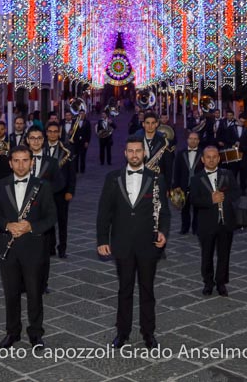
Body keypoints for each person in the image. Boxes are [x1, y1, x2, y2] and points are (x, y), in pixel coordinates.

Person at [97, 137, 170, 349]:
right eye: (131, 151)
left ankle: (148, 333)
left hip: (148, 244)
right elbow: (104, 213)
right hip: (122, 243)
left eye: (138, 151)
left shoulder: (157, 178)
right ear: (125, 153)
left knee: (147, 290)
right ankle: (123, 332)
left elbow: (163, 211)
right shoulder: (112, 178)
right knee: (124, 289)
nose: (135, 154)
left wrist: (163, 232)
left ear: (144, 154)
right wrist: (102, 239)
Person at [0, 146, 57, 349]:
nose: (21, 165)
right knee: (10, 294)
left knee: (34, 293)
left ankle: (36, 333)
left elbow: (51, 217)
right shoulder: (0, 185)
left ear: (31, 162)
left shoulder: (42, 186)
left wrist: (31, 226)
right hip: (8, 249)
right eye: (16, 161)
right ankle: (12, 332)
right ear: (10, 163)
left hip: (33, 248)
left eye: (25, 160)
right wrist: (7, 225)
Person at [190, 146, 241, 296]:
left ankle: (221, 282)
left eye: (214, 157)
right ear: (203, 159)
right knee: (206, 254)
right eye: (208, 157)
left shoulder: (228, 174)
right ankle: (208, 282)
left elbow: (237, 192)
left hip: (226, 222)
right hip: (206, 223)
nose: (211, 160)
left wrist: (224, 198)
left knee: (224, 254)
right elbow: (194, 200)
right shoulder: (196, 179)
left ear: (219, 158)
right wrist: (210, 199)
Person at [25, 127, 64, 292]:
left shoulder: (52, 162)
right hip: (23, 211)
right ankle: (24, 282)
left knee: (43, 252)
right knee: (23, 250)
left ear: (43, 140)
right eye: (32, 138)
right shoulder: (19, 159)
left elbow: (60, 183)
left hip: (43, 212)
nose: (35, 141)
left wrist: (44, 191)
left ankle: (43, 284)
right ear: (27, 140)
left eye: (38, 138)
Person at [44, 122, 75, 259]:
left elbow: (72, 173)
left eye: (55, 131)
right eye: (50, 131)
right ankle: (50, 247)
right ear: (46, 133)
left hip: (62, 191)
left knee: (62, 221)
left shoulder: (66, 148)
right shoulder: (41, 148)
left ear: (59, 133)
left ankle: (62, 248)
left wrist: (70, 191)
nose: (52, 134)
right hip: (45, 191)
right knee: (48, 221)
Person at [172, 132, 203, 235]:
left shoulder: (203, 154)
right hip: (184, 185)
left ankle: (196, 228)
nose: (193, 141)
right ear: (187, 140)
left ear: (198, 141)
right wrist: (176, 186)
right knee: (184, 208)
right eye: (191, 138)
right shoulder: (181, 153)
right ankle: (184, 228)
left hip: (198, 186)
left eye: (195, 139)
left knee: (197, 209)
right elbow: (177, 170)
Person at [73, 109, 91, 174]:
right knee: (76, 157)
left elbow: (89, 133)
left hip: (84, 141)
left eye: (83, 113)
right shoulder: (75, 121)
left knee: (83, 156)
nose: (81, 115)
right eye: (80, 113)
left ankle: (82, 169)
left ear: (84, 114)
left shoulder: (87, 122)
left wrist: (87, 142)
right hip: (76, 142)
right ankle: (76, 169)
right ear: (78, 114)